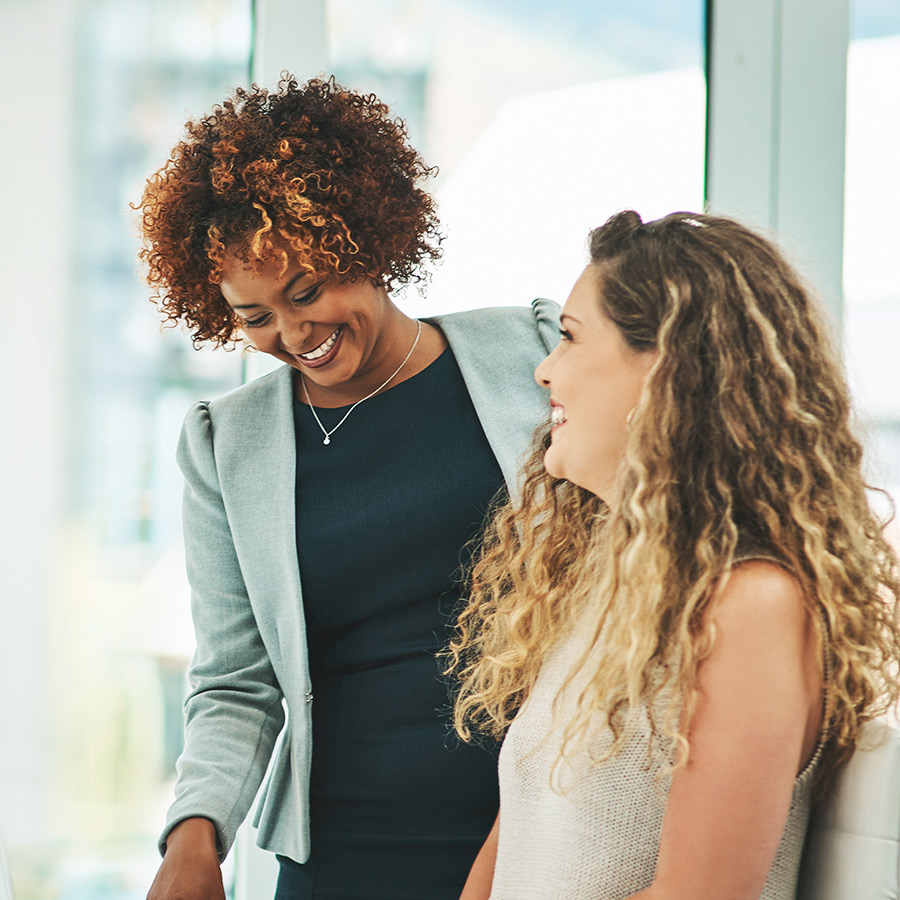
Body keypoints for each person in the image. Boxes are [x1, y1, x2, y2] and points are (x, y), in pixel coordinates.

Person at [135, 75, 558, 900]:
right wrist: (194, 838)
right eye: (253, 317)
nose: (294, 336)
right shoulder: (226, 447)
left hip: (540, 833)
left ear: (366, 243)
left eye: (305, 290)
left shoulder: (533, 354)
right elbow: (235, 681)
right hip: (343, 855)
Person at [449, 210, 900, 900]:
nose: (545, 370)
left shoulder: (752, 602)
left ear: (664, 369)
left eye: (569, 339)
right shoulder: (599, 584)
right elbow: (511, 850)